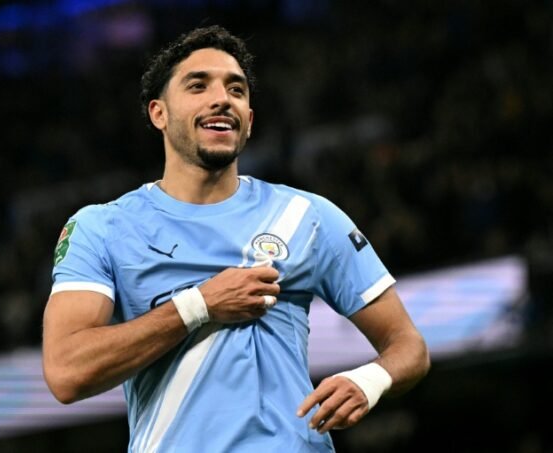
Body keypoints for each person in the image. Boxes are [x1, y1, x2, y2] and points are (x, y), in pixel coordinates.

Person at [42, 25, 430, 452]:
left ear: (248, 120)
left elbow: (408, 345)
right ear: (159, 113)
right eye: (198, 85)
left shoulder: (306, 217)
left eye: (236, 89)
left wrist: (370, 379)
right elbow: (66, 373)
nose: (222, 98)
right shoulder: (102, 228)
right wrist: (199, 305)